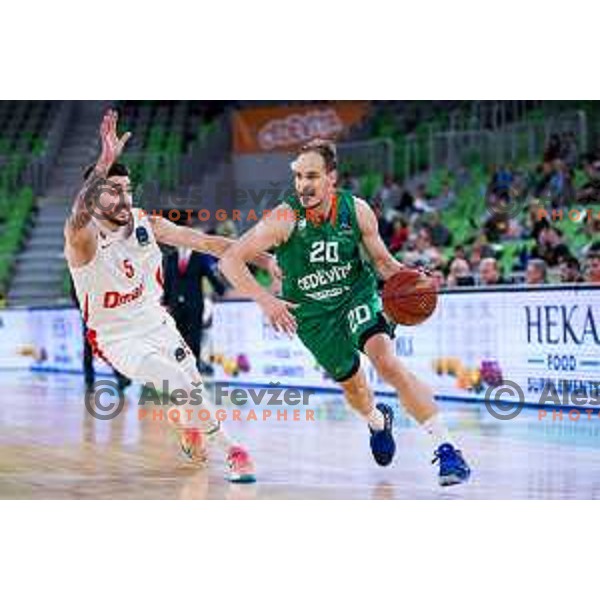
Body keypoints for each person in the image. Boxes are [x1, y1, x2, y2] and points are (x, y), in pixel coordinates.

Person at [219, 139, 470, 486]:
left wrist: (413, 279)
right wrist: (268, 301)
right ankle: (377, 421)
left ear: (331, 179)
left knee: (388, 364)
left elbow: (382, 263)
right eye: (298, 177)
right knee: (356, 391)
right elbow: (230, 259)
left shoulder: (357, 210)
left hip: (356, 297)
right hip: (312, 317)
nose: (303, 184)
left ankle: (448, 449)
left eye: (312, 176)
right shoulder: (284, 218)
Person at [64, 110, 278, 483]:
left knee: (191, 384)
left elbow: (209, 242)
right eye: (113, 192)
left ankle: (188, 423)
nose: (124, 199)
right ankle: (233, 450)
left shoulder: (148, 224)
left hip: (157, 322)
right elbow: (77, 215)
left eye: (127, 191)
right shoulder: (81, 240)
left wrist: (261, 255)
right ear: (95, 198)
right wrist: (103, 162)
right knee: (172, 381)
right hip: (117, 337)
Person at [163, 218, 227, 370]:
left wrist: (221, 291)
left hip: (194, 304)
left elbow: (212, 276)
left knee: (194, 338)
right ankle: (178, 369)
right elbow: (168, 281)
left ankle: (194, 369)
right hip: (175, 305)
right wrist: (165, 302)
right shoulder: (171, 258)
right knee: (177, 338)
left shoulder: (200, 257)